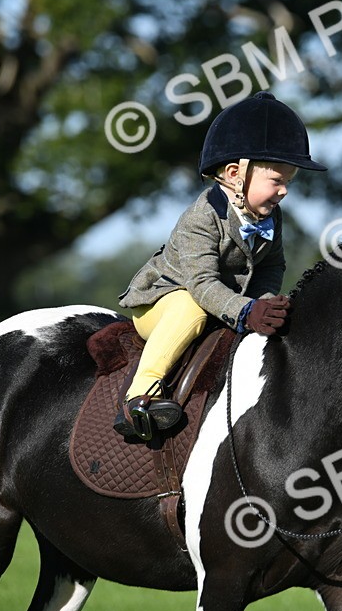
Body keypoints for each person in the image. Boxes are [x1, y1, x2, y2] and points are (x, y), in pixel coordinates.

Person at [114, 92, 326, 440]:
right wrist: (247, 311)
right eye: (276, 181)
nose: (284, 191)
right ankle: (140, 397)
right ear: (234, 174)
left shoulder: (271, 216)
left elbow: (273, 265)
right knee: (191, 309)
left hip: (221, 302)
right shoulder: (202, 215)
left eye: (289, 181)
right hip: (164, 302)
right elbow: (202, 284)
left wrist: (264, 301)